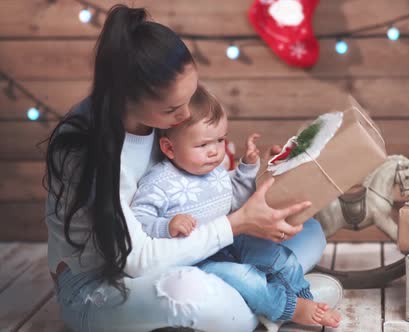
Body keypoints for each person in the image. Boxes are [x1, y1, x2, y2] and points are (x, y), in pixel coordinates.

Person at [44, 5, 330, 331]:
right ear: (127, 97)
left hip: (195, 252)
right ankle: (270, 299)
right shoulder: (90, 149)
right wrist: (236, 225)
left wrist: (263, 174)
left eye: (190, 97)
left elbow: (205, 188)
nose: (186, 116)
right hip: (102, 283)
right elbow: (135, 263)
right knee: (193, 294)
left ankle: (260, 298)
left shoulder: (156, 119)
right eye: (172, 109)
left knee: (309, 232)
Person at [130, 85, 340, 327]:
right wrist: (168, 225)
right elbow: (139, 219)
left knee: (280, 257)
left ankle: (304, 296)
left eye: (220, 140)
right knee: (245, 278)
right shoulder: (159, 181)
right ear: (169, 148)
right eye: (203, 145)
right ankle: (288, 308)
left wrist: (247, 167)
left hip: (230, 240)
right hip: (195, 258)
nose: (214, 152)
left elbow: (235, 199)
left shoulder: (213, 172)